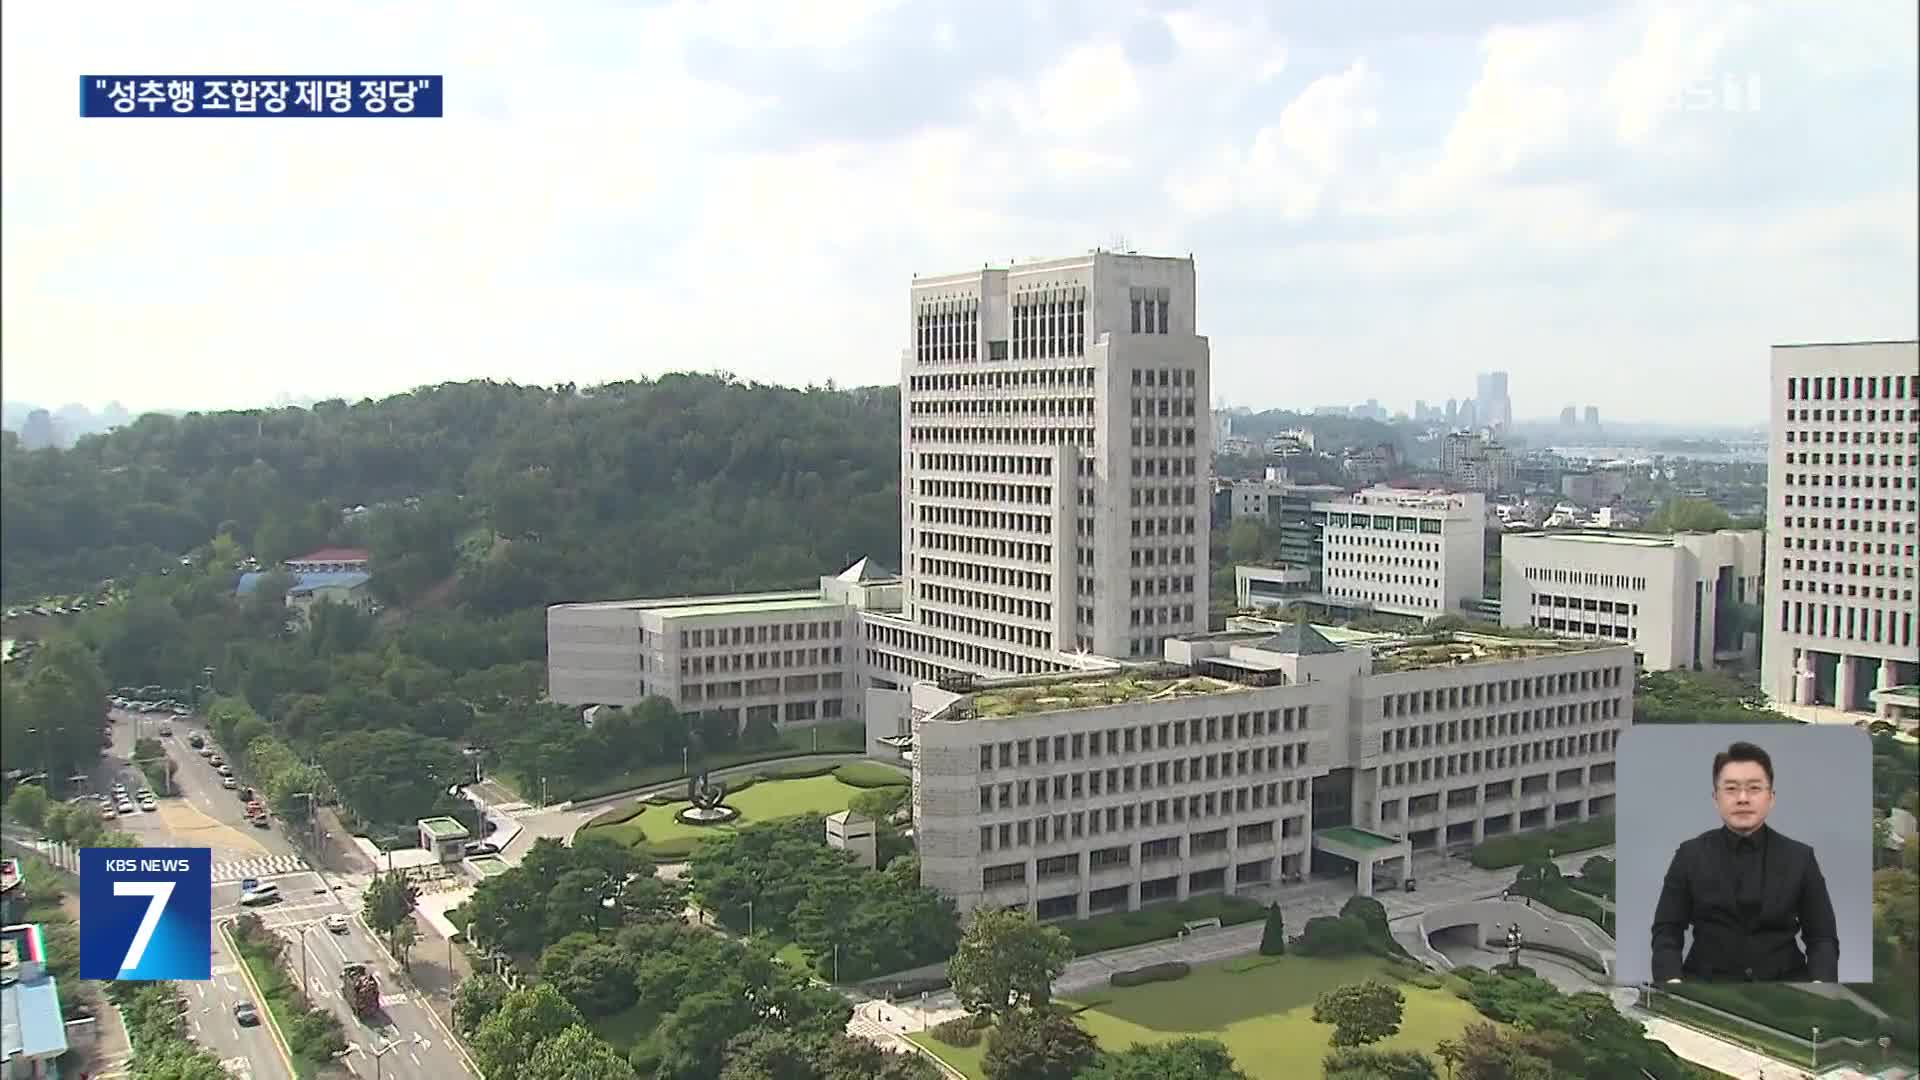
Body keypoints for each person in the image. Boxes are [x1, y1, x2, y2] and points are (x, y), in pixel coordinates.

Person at [1650, 740, 1839, 983]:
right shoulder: (1689, 855)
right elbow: (1666, 930)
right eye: (1731, 789)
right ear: (1715, 798)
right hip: (1706, 984)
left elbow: (1822, 936)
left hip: (1787, 985)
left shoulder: (1800, 858)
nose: (1742, 798)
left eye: (1754, 788)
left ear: (1771, 798)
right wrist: (1672, 982)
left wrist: (1820, 985)